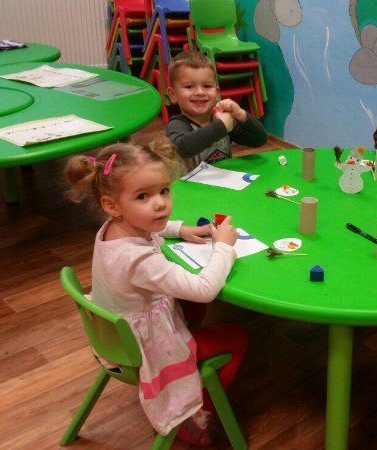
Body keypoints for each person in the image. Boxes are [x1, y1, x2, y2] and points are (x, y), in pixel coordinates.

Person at [64, 139, 248, 446]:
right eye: (143, 196)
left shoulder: (113, 227)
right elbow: (204, 289)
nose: (160, 203)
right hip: (144, 349)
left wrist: (180, 229)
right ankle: (194, 413)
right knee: (237, 336)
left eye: (164, 190)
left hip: (114, 334)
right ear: (112, 205)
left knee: (193, 305)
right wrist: (224, 248)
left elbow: (149, 226)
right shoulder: (139, 260)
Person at [165, 51, 267, 168]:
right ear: (173, 94)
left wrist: (241, 114)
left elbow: (259, 140)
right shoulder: (176, 125)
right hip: (192, 180)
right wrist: (221, 126)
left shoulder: (222, 120)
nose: (200, 92)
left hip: (225, 178)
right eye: (189, 86)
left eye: (207, 86)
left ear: (217, 93)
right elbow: (183, 148)